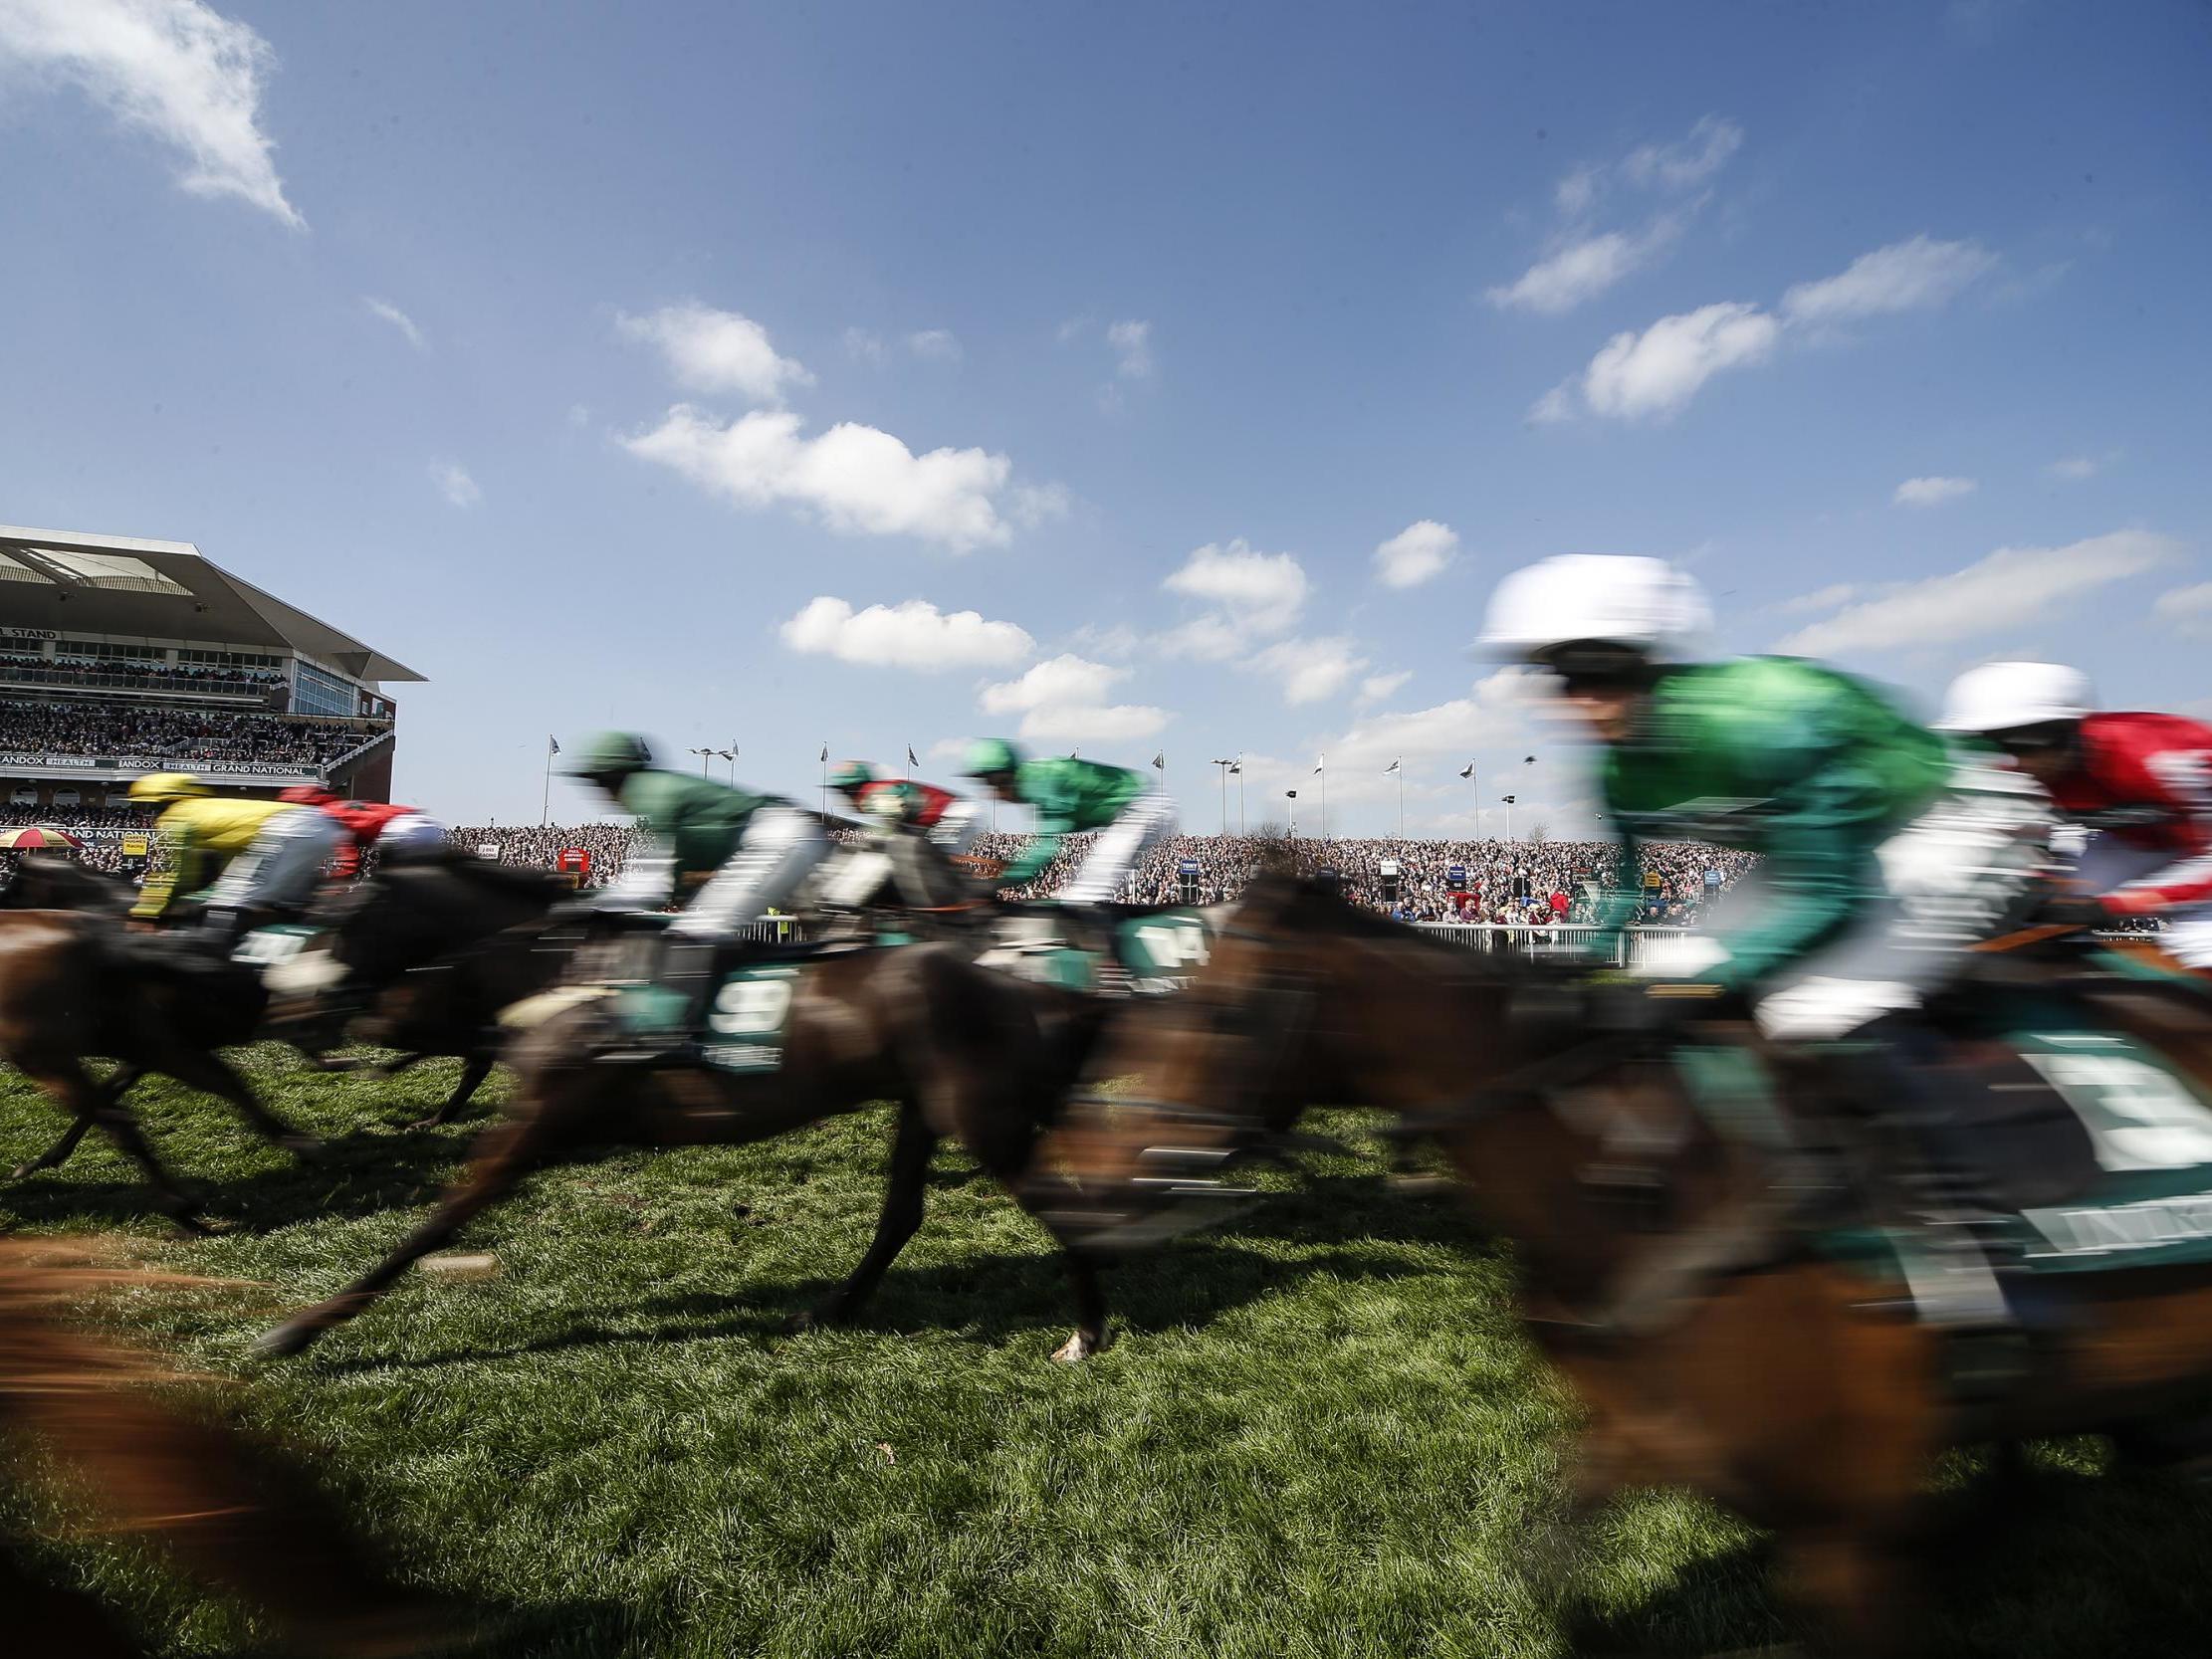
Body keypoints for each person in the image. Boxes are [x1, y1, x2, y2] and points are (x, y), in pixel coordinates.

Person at [1480, 553, 2050, 1328]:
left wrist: (1700, 989)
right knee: (1666, 965)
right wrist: (1583, 954)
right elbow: (1626, 887)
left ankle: (1972, 1248)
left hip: (1953, 820)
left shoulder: (1771, 719)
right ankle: (1759, 1154)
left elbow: (1834, 899)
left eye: (1599, 676)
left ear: (1654, 666)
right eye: (1561, 680)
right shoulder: (1621, 770)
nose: (1580, 701)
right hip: (1826, 849)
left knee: (1821, 1005)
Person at [1937, 662, 2212, 967]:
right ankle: (2141, 936)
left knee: (2199, 945)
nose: (2013, 760)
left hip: (2199, 853)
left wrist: (2118, 905)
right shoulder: (2013, 771)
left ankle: (2158, 936)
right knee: (2057, 925)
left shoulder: (2167, 757)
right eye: (1992, 743)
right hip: (2134, 845)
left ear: (2071, 732)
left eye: (2024, 742)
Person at [562, 731, 828, 1028]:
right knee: (704, 929)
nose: (597, 793)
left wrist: (582, 908)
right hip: (778, 835)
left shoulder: (647, 794)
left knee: (699, 930)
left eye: (596, 783)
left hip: (778, 838)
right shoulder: (652, 788)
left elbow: (650, 884)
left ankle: (676, 1036)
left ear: (609, 779)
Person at [960, 739, 1177, 908]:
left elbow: (1047, 847)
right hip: (1135, 808)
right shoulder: (1035, 780)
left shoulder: (1040, 783)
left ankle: (1112, 965)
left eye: (992, 785)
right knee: (1078, 892)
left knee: (1088, 893)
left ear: (1005, 778)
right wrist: (1012, 869)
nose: (990, 794)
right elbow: (1043, 844)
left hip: (1143, 806)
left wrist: (999, 882)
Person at [127, 772, 345, 934]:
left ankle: (213, 957)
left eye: (147, 807)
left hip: (290, 829)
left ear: (161, 803)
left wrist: (145, 913)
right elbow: (229, 862)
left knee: (229, 903)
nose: (146, 813)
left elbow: (172, 873)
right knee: (282, 903)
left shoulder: (176, 816)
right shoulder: (211, 810)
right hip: (323, 826)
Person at [277, 785, 449, 877]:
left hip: (401, 830)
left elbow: (350, 858)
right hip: (421, 820)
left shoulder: (326, 816)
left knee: (386, 883)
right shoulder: (339, 806)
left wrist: (339, 881)